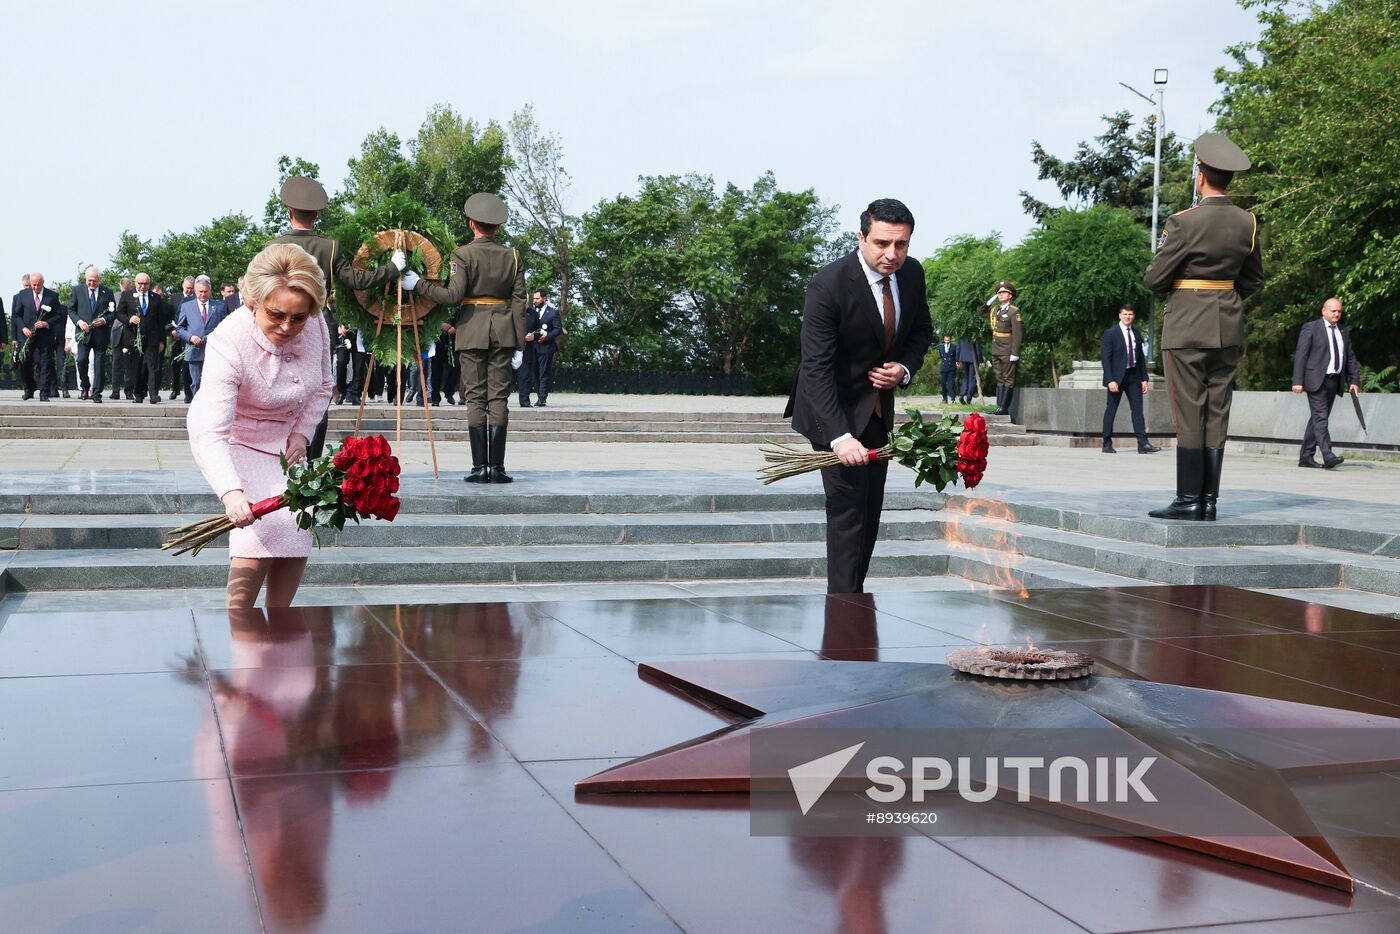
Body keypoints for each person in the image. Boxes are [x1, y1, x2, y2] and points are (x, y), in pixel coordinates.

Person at [784, 198, 934, 594]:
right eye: (882, 243)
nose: (892, 254)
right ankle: (843, 610)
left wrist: (903, 368)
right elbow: (815, 369)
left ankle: (853, 599)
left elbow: (921, 332)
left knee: (869, 512)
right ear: (861, 237)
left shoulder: (913, 274)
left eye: (901, 245)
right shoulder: (828, 285)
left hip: (878, 412)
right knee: (848, 510)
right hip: (831, 410)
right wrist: (838, 436)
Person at [187, 243, 334, 608]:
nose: (287, 326)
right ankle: (242, 631)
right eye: (276, 314)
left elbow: (324, 384)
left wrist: (302, 432)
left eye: (298, 318)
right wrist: (230, 492)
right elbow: (209, 432)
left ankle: (282, 630)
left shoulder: (314, 323)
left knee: (297, 527)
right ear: (253, 302)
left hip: (287, 445)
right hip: (242, 442)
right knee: (259, 532)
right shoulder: (228, 342)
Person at [1145, 133, 1264, 522]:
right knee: (1217, 412)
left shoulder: (1183, 223)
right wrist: (1224, 300)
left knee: (1190, 412)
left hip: (1186, 328)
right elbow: (1253, 279)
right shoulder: (1247, 222)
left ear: (1200, 175)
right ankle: (1209, 501)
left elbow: (1155, 279)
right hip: (1228, 327)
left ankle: (1187, 499)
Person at [269, 176, 403, 457]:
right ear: (316, 215)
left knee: (281, 391)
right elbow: (357, 280)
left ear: (289, 212)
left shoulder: (273, 246)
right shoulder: (330, 248)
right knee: (316, 394)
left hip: (278, 328)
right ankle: (311, 460)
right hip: (315, 325)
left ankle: (279, 456)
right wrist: (392, 268)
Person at [403, 192, 527, 483]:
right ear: (497, 227)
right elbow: (520, 302)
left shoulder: (463, 254)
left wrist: (418, 284)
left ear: (472, 224)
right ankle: (496, 468)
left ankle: (478, 467)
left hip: (471, 330)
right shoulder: (512, 256)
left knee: (475, 399)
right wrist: (520, 343)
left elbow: (453, 296)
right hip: (503, 332)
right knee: (498, 399)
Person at [1292, 297, 1359, 469]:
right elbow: (1301, 355)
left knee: (1318, 419)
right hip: (1315, 380)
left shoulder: (1343, 331)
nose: (1337, 314)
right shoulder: (1311, 328)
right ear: (1323, 311)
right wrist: (1297, 381)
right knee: (1321, 418)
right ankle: (1328, 455)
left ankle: (1306, 457)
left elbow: (1350, 357)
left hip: (1334, 381)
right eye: (1333, 310)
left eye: (1339, 311)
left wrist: (1354, 380)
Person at [1100, 303, 1160, 454]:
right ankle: (1106, 443)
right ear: (1120, 315)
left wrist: (1144, 378)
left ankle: (1143, 444)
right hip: (1117, 378)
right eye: (1125, 314)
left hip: (1134, 376)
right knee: (1111, 409)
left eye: (1130, 314)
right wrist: (1110, 380)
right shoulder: (1110, 333)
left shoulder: (1137, 333)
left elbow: (1140, 358)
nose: (1128, 317)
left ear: (1134, 316)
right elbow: (1105, 359)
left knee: (1138, 410)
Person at [115, 272, 167, 403]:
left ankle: (153, 394)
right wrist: (129, 319)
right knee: (137, 366)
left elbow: (161, 321)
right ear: (135, 283)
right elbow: (119, 313)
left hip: (152, 337)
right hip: (134, 336)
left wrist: (161, 340)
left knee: (152, 365)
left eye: (146, 284)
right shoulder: (127, 295)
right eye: (140, 283)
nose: (143, 286)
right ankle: (138, 393)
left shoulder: (156, 297)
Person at [175, 275, 228, 396]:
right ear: (195, 291)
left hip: (214, 351)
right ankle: (197, 408)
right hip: (194, 350)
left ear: (210, 291)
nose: (203, 295)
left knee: (213, 382)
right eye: (200, 292)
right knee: (196, 382)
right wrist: (190, 337)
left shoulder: (219, 306)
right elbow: (180, 328)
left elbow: (225, 326)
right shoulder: (186, 306)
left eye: (206, 292)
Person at [69, 266, 116, 402]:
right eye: (89, 280)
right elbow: (71, 310)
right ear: (85, 279)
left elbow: (112, 313)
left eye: (94, 281)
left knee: (99, 364)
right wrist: (79, 322)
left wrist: (103, 319)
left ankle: (96, 393)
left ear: (99, 280)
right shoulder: (77, 291)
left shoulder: (107, 292)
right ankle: (85, 386)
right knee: (81, 360)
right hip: (83, 333)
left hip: (101, 334)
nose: (91, 283)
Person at [16, 273, 64, 401]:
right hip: (27, 335)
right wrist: (23, 328)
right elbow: (17, 315)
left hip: (45, 336)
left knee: (45, 364)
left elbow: (59, 315)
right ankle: (29, 388)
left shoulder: (52, 296)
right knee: (25, 363)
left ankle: (44, 392)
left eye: (38, 284)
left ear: (43, 282)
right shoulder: (23, 295)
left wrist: (46, 323)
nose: (36, 287)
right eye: (33, 285)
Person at [987, 281, 1022, 415]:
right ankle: (998, 407)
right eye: (999, 293)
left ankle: (1004, 407)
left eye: (1003, 293)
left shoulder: (1014, 311)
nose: (1000, 295)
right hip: (996, 349)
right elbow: (981, 312)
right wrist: (990, 301)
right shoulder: (995, 310)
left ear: (1010, 295)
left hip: (1008, 350)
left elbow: (1017, 334)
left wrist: (1015, 352)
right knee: (999, 377)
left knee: (1008, 378)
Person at [529, 289, 561, 407]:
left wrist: (546, 337)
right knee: (535, 373)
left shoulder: (553, 312)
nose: (535, 301)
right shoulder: (532, 312)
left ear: (544, 298)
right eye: (534, 299)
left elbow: (558, 329)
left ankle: (542, 398)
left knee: (544, 373)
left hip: (546, 348)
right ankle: (538, 395)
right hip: (533, 347)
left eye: (537, 299)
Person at [516, 297, 539, 407]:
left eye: (525, 301)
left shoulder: (533, 313)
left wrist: (534, 335)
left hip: (527, 349)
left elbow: (540, 330)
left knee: (525, 376)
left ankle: (524, 400)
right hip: (512, 348)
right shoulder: (509, 312)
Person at [956, 336, 982, 404]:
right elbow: (978, 348)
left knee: (966, 377)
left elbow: (958, 347)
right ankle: (968, 397)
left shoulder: (961, 335)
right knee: (972, 379)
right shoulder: (974, 334)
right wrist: (980, 360)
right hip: (972, 358)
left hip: (963, 357)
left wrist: (957, 359)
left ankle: (962, 394)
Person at [937, 334, 957, 404]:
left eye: (948, 340)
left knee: (951, 384)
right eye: (945, 340)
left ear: (950, 340)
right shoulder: (941, 347)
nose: (947, 341)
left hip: (951, 367)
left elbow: (956, 356)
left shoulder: (954, 347)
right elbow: (941, 356)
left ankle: (952, 398)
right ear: (944, 340)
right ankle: (944, 398)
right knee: (943, 383)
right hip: (943, 367)